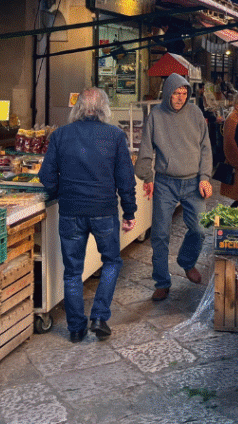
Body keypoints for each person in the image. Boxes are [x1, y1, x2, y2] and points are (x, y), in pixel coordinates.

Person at [38, 87, 136, 343]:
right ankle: (100, 316)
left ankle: (75, 328)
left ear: (77, 108)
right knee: (112, 261)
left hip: (71, 211)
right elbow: (125, 179)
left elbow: (46, 176)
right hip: (103, 209)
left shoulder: (60, 135)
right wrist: (129, 211)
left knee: (72, 271)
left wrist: (60, 192)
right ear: (105, 108)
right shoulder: (115, 135)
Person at [135, 73, 213, 302]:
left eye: (184, 93)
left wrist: (205, 177)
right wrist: (147, 177)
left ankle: (187, 261)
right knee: (160, 234)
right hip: (165, 183)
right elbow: (145, 150)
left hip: (193, 181)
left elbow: (206, 148)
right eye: (176, 93)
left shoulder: (196, 113)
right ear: (168, 93)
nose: (180, 97)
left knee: (200, 228)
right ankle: (162, 282)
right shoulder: (155, 116)